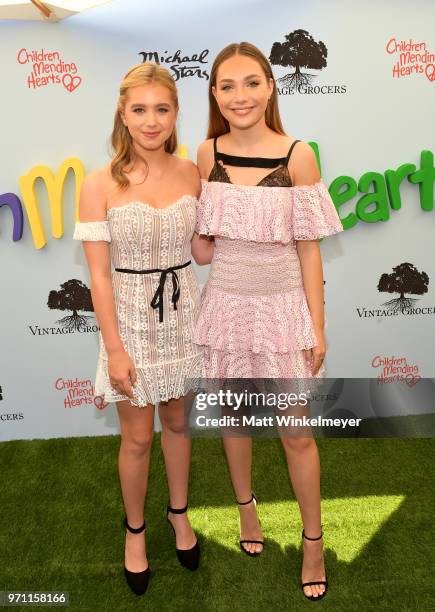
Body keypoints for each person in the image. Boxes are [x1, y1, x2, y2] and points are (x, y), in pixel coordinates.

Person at [194, 42, 343, 601]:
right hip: (226, 307)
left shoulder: (298, 155)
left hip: (283, 312)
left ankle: (312, 540)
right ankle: (246, 512)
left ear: (271, 86)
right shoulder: (205, 154)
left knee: (297, 434)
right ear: (214, 93)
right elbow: (205, 249)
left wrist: (317, 325)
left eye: (251, 82)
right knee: (235, 423)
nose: (240, 96)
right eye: (228, 86)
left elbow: (309, 251)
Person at [73, 62, 205, 596]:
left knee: (177, 423)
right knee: (135, 438)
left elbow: (201, 249)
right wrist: (114, 349)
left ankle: (179, 513)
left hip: (183, 315)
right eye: (140, 109)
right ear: (123, 115)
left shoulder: (192, 172)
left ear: (175, 114)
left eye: (162, 109)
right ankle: (135, 531)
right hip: (126, 318)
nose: (151, 121)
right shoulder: (99, 181)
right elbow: (98, 277)